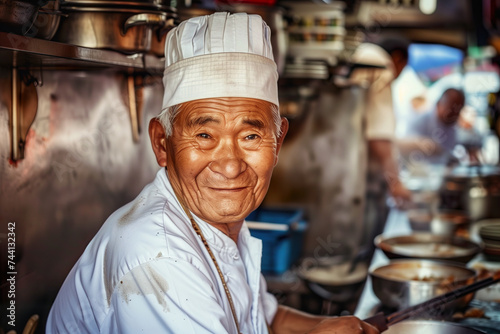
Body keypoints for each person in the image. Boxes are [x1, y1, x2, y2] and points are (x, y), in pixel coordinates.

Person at [46, 12, 379, 334]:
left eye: (251, 136)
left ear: (277, 142)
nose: (231, 165)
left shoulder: (218, 225)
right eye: (204, 136)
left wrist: (328, 326)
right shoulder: (157, 255)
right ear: (162, 144)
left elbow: (262, 318)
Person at [348, 37, 412, 247]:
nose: (399, 74)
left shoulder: (362, 53)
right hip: (354, 182)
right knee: (361, 245)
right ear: (398, 58)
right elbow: (378, 135)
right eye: (403, 67)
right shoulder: (381, 63)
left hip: (336, 172)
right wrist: (396, 183)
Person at [397, 88, 466, 166]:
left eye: (458, 110)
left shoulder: (452, 127)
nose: (455, 114)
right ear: (439, 103)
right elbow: (402, 147)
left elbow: (450, 153)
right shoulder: (420, 120)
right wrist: (421, 144)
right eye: (451, 109)